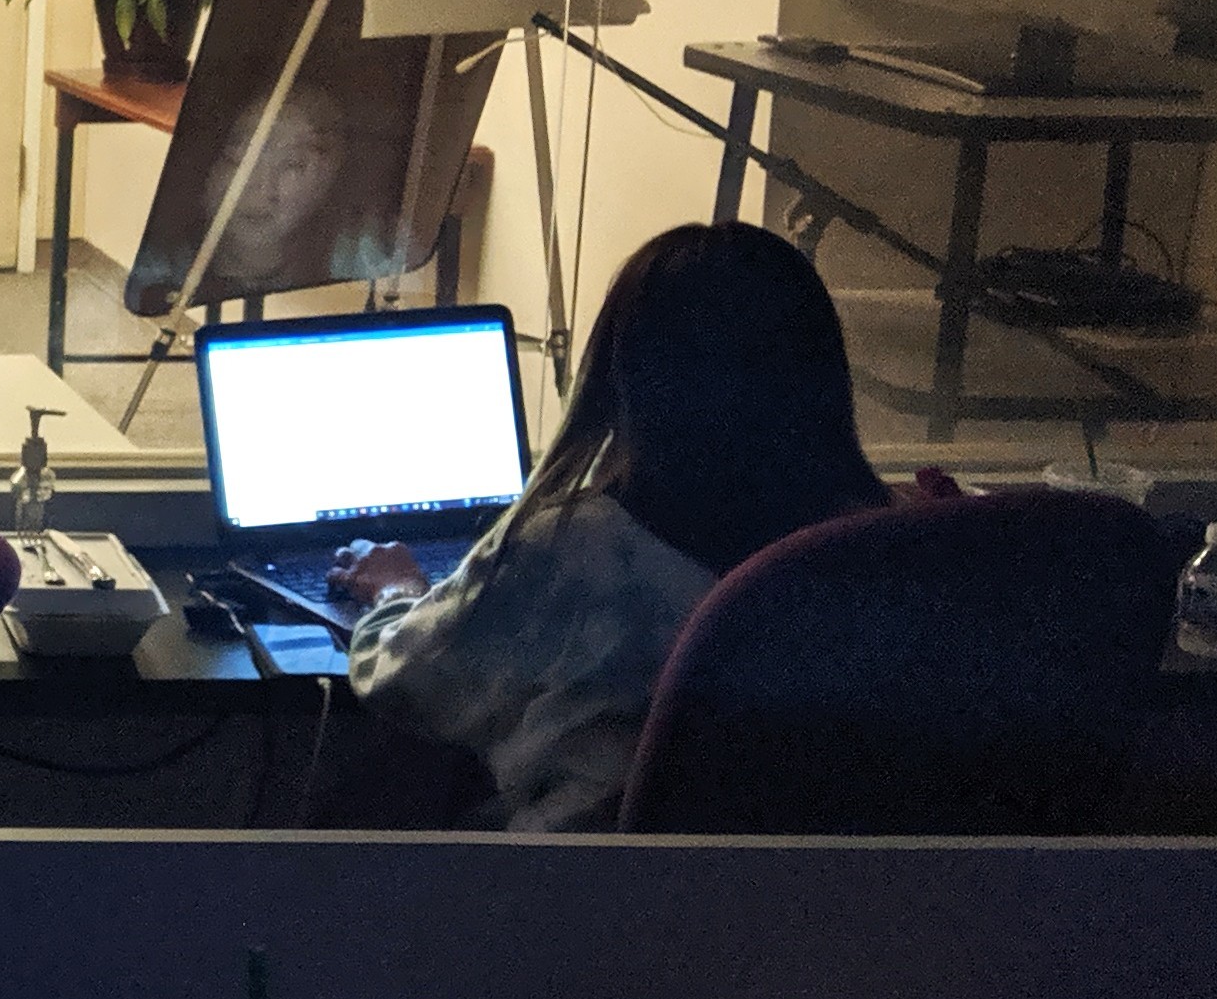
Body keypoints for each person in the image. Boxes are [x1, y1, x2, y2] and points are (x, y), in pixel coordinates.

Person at [329, 222, 898, 832]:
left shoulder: (577, 548)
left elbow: (406, 679)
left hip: (583, 878)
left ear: (627, 376)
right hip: (806, 879)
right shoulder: (879, 550)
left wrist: (396, 591)